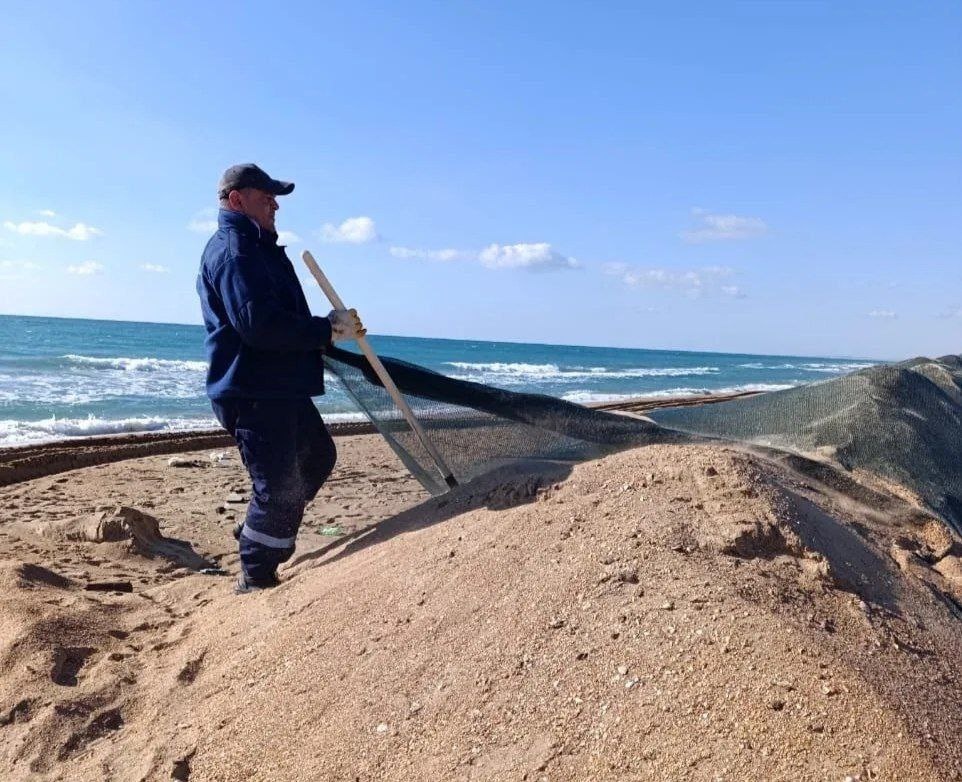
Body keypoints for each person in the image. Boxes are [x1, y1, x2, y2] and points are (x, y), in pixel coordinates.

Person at [196, 163, 365, 594]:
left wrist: (327, 328)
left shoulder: (262, 248)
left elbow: (282, 318)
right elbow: (260, 326)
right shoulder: (236, 252)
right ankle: (255, 576)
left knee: (317, 458)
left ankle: (258, 526)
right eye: (266, 196)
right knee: (280, 489)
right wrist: (325, 330)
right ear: (237, 200)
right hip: (252, 389)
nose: (275, 204)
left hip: (280, 385)